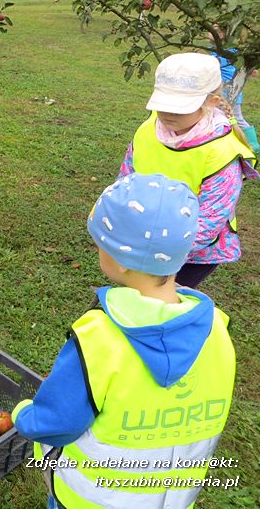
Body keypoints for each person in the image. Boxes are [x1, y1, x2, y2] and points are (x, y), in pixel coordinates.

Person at [13, 174, 236, 509]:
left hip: (88, 501)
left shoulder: (97, 339)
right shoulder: (218, 330)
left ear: (118, 259)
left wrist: (24, 414)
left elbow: (58, 423)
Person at [120, 53, 257, 289]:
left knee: (156, 305)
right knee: (136, 297)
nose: (169, 114)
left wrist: (156, 252)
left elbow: (210, 219)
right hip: (146, 241)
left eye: (180, 107)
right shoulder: (147, 130)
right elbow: (126, 180)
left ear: (211, 102)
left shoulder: (222, 151)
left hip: (194, 252)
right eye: (164, 104)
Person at [208, 27, 260, 153]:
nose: (209, 32)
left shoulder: (232, 51)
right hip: (219, 90)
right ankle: (225, 141)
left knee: (236, 117)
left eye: (215, 30)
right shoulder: (212, 50)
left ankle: (253, 145)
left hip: (229, 91)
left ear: (224, 35)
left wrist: (251, 70)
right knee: (220, 116)